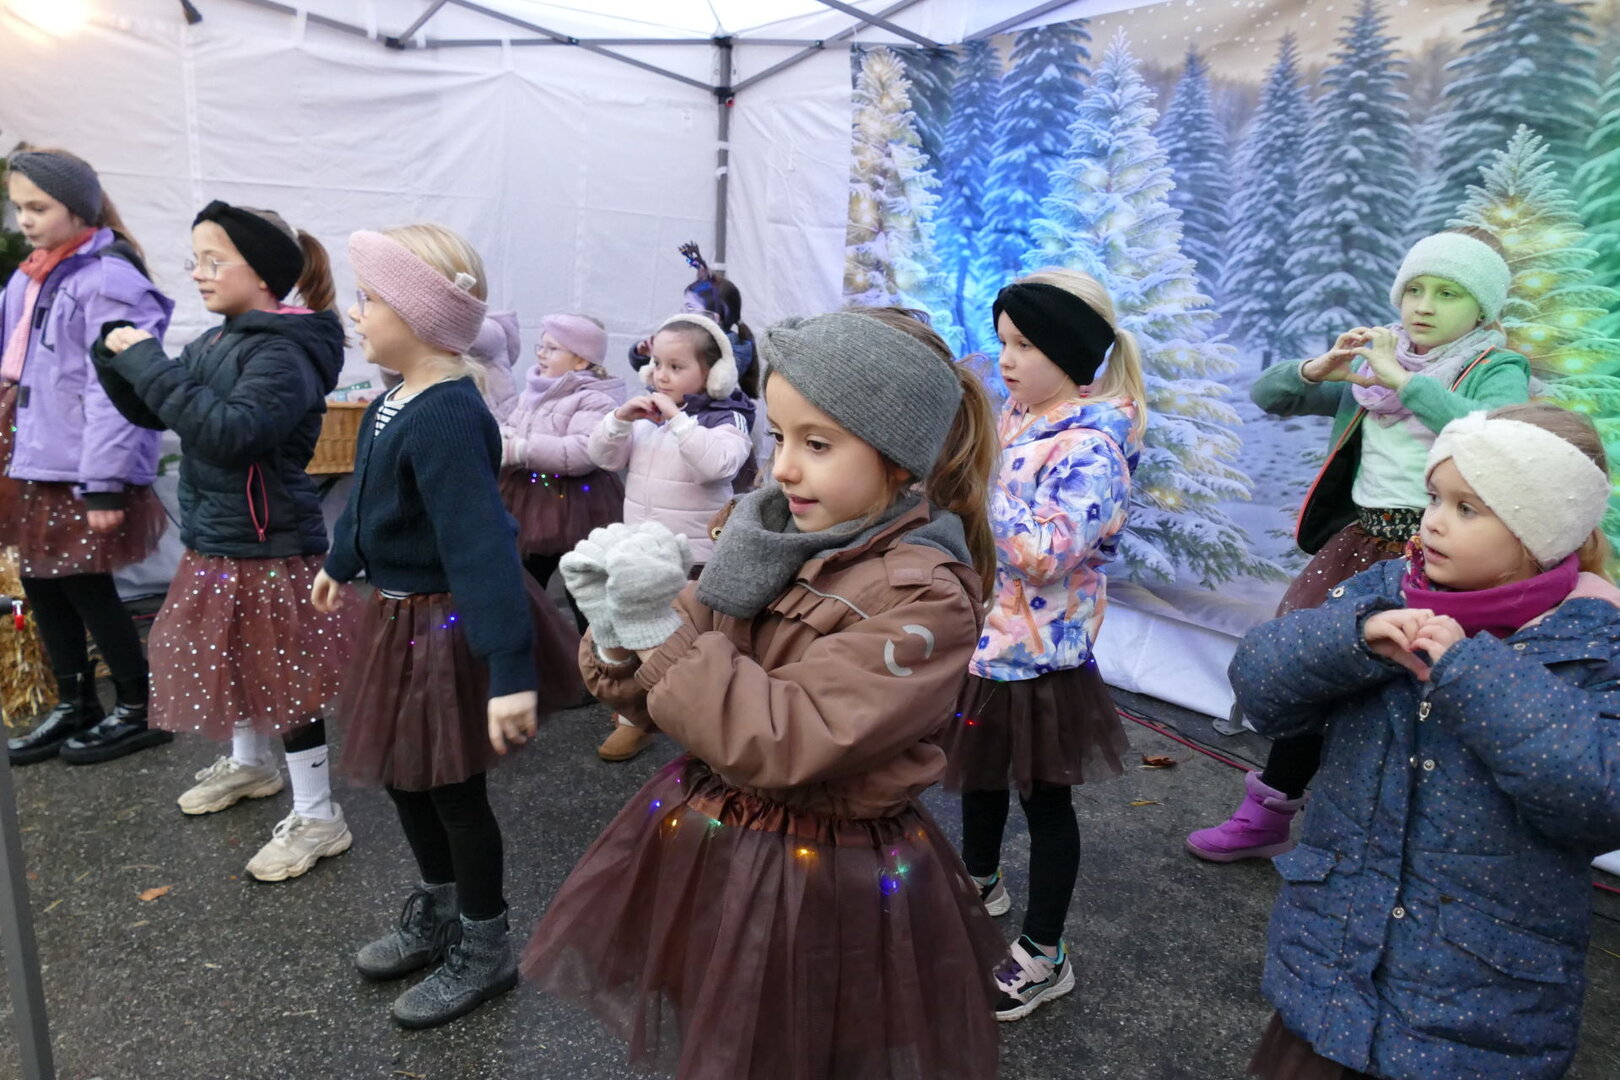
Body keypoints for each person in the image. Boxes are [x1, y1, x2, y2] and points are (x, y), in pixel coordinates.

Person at [523, 308, 1004, 1079]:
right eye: (780, 437)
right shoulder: (764, 536)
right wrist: (614, 629)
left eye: (819, 444)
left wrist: (655, 633)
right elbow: (661, 685)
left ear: (900, 459)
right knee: (717, 1017)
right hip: (717, 842)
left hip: (820, 874)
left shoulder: (923, 597)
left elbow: (787, 737)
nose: (782, 468)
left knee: (790, 1039)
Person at [1236, 403, 1620, 1080]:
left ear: (1542, 529)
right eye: (1434, 497)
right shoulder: (1386, 593)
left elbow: (1598, 801)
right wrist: (1351, 640)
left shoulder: (1593, 644)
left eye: (1468, 508)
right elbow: (1259, 687)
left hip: (1472, 1018)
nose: (1433, 522)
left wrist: (1472, 676)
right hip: (1332, 980)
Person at [1187, 228, 1532, 862]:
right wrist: (1317, 369)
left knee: (1409, 692)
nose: (1423, 306)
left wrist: (1405, 380)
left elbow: (1493, 435)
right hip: (1363, 544)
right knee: (1313, 667)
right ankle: (1266, 816)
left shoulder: (1494, 368)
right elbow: (1271, 395)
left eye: (1448, 293)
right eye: (1415, 289)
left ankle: (1386, 847)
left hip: (1443, 559)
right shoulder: (1376, 368)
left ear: (1482, 309)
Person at [313, 223, 581, 1029]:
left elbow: (482, 544)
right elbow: (368, 503)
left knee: (453, 789)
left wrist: (509, 668)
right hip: (396, 617)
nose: (356, 313)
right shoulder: (393, 400)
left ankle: (484, 941)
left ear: (421, 314)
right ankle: (438, 909)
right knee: (405, 775)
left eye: (369, 299)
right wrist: (341, 561)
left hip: (444, 627)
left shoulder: (449, 416)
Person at [92, 200, 353, 881]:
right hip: (219, 537)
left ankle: (319, 814)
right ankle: (250, 764)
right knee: (232, 656)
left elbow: (230, 432)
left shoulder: (284, 352)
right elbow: (161, 407)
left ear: (262, 272)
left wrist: (147, 361)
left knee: (288, 679)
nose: (199, 273)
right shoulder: (218, 340)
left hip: (271, 546)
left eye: (215, 260)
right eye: (196, 260)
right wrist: (116, 359)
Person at [936, 269, 1147, 1021]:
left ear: (1070, 352)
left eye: (1025, 344)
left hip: (1041, 661)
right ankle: (980, 879)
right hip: (988, 644)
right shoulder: (1019, 417)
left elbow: (1047, 552)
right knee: (980, 773)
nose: (1007, 359)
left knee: (1045, 801)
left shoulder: (1092, 448)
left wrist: (978, 482)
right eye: (1003, 342)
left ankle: (1044, 952)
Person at [1, 149, 173, 765]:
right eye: (18, 207)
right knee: (41, 581)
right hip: (32, 454)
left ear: (79, 207)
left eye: (38, 207)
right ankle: (76, 703)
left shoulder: (108, 280)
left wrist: (104, 481)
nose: (25, 220)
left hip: (79, 463)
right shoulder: (30, 276)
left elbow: (113, 388)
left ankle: (138, 705)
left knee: (84, 581)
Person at [584, 311, 754, 762]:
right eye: (657, 363)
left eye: (676, 367)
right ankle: (635, 720)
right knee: (634, 634)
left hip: (694, 560)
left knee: (686, 648)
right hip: (642, 553)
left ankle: (703, 732)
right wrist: (619, 420)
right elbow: (602, 458)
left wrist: (679, 420)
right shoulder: (646, 416)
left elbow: (717, 466)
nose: (660, 375)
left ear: (714, 374)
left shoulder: (728, 417)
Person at [497, 313, 626, 629]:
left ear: (580, 361)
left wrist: (522, 449)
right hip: (531, 499)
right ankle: (527, 641)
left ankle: (594, 644)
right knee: (525, 578)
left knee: (581, 584)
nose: (541, 354)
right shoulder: (535, 389)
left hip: (577, 505)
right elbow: (516, 422)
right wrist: (505, 434)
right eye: (541, 346)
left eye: (552, 348)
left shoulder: (594, 398)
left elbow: (583, 451)